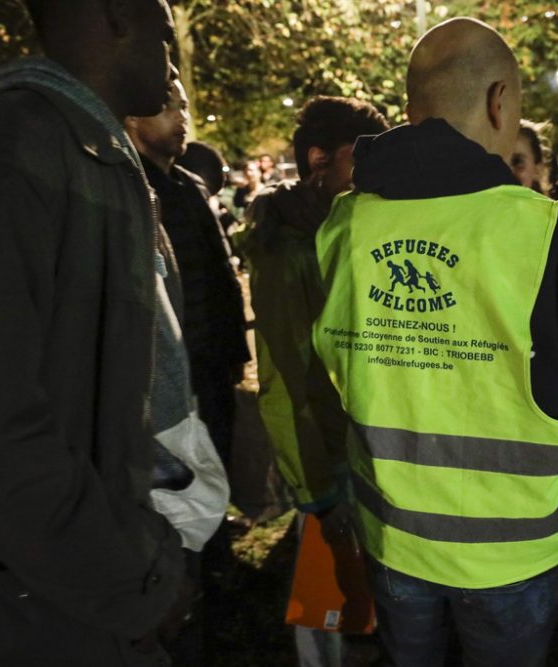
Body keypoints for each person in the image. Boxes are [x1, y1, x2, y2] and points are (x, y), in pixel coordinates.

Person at [311, 17, 558, 667]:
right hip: (510, 546)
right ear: (499, 101)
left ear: (411, 110)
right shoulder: (539, 230)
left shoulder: (344, 223)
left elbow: (333, 362)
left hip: (393, 531)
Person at [0, 0, 192, 663]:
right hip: (39, 612)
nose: (172, 57)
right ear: (111, 18)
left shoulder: (88, 150)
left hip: (88, 598)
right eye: (164, 35)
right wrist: (136, 577)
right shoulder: (11, 149)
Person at [245, 94, 389, 667]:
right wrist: (317, 493)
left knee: (358, 614)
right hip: (326, 462)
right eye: (361, 159)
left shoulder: (352, 221)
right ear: (318, 159)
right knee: (329, 616)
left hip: (361, 450)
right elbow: (284, 376)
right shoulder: (287, 245)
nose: (372, 174)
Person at [127, 76, 250, 472]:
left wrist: (234, 353)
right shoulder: (126, 187)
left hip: (211, 367)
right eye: (169, 107)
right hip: (165, 379)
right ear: (131, 116)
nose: (183, 118)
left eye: (185, 107)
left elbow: (220, 276)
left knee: (218, 465)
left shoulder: (189, 186)